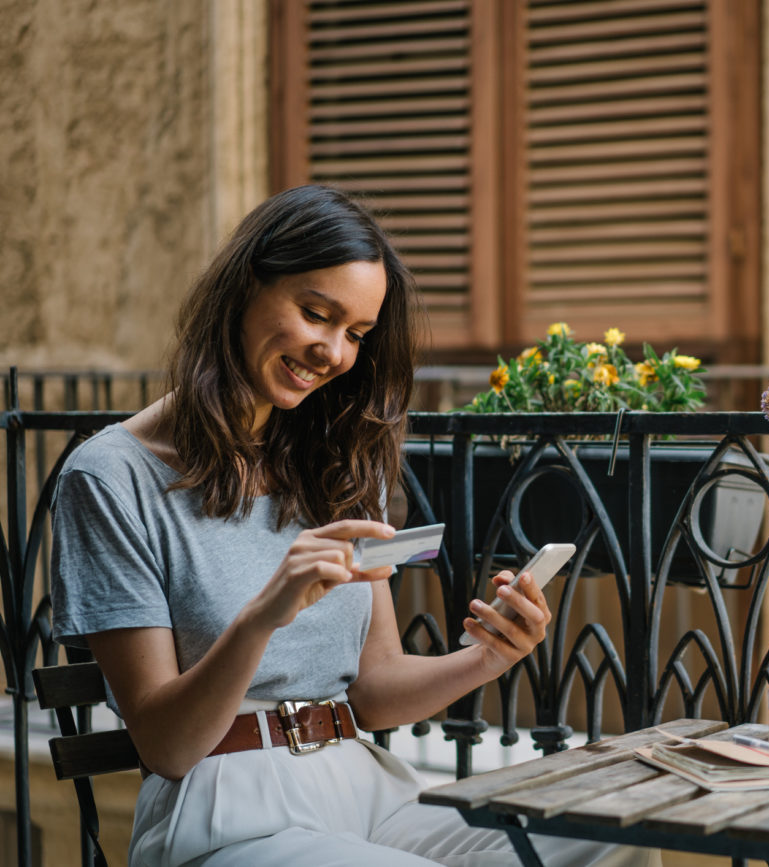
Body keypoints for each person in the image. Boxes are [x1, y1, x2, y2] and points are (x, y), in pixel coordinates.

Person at [50, 185, 655, 867]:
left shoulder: (331, 466)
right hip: (226, 809)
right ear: (247, 285)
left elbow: (374, 689)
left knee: (615, 842)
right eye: (316, 313)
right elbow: (167, 744)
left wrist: (488, 656)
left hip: (366, 793)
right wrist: (263, 615)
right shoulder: (109, 477)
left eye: (357, 335)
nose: (334, 352)